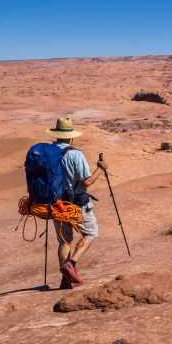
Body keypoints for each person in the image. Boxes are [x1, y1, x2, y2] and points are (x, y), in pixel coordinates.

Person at [46, 116, 107, 289]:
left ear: (56, 134)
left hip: (56, 204)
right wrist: (101, 169)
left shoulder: (48, 153)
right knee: (90, 233)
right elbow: (87, 182)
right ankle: (71, 264)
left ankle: (66, 281)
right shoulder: (75, 154)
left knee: (64, 242)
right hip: (76, 205)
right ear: (71, 136)